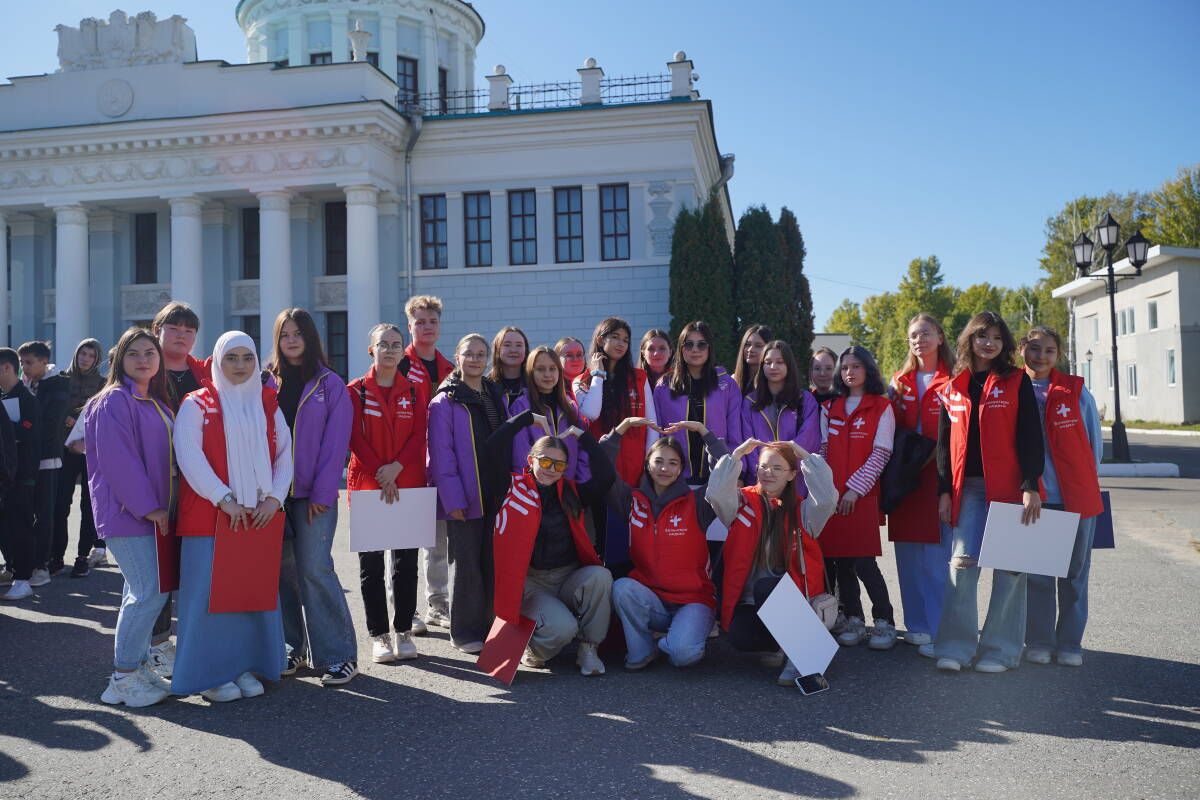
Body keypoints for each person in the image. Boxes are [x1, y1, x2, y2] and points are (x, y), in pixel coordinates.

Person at [172, 331, 292, 702]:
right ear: (217, 361)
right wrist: (223, 498)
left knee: (248, 596)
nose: (240, 366)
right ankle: (210, 676)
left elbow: (285, 454)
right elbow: (188, 455)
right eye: (231, 358)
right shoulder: (197, 404)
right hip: (212, 517)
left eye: (247, 358)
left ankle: (244, 666)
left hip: (257, 517)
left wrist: (274, 498)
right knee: (208, 600)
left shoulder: (268, 402)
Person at [934, 311, 1044, 674]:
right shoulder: (953, 386)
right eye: (983, 337)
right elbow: (942, 444)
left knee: (1011, 570)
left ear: (1004, 344)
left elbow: (1031, 435)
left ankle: (1001, 650)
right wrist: (944, 490)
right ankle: (955, 647)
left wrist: (1030, 485)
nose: (989, 344)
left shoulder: (1015, 381)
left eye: (996, 338)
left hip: (1011, 487)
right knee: (962, 565)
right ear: (970, 340)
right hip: (969, 490)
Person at [83, 328, 175, 707]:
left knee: (140, 591)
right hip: (130, 514)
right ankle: (122, 678)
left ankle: (135, 667)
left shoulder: (152, 401)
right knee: (148, 591)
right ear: (119, 359)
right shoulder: (113, 401)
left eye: (149, 352)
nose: (143, 359)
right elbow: (118, 462)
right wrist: (150, 507)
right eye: (133, 353)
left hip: (151, 514)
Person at [270, 309, 357, 686]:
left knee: (315, 569)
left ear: (310, 338)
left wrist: (323, 491)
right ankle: (293, 647)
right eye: (284, 334)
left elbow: (335, 444)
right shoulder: (265, 383)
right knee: (280, 574)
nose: (291, 340)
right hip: (274, 496)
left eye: (298, 334)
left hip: (312, 496)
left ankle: (339, 656)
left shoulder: (329, 384)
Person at [604, 419, 733, 669]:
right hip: (652, 600)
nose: (664, 468)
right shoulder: (632, 500)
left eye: (673, 463)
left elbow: (726, 473)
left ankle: (682, 638)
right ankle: (642, 651)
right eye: (659, 461)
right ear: (648, 465)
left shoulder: (698, 502)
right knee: (622, 587)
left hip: (694, 601)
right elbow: (602, 470)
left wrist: (704, 432)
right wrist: (620, 429)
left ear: (681, 469)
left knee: (683, 655)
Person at [492, 428, 616, 675]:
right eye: (546, 461)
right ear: (531, 460)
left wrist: (582, 436)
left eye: (559, 465)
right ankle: (533, 648)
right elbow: (491, 451)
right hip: (532, 582)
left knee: (601, 576)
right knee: (564, 628)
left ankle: (588, 649)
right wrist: (524, 420)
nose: (551, 469)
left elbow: (605, 475)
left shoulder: (571, 492)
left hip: (567, 576)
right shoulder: (511, 487)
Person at [717, 440, 838, 685]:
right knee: (739, 636)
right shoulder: (741, 503)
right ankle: (781, 645)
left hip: (798, 603)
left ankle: (804, 657)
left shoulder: (805, 511)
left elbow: (826, 498)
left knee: (767, 585)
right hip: (754, 602)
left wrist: (804, 455)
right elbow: (716, 495)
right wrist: (737, 455)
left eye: (777, 468)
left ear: (793, 474)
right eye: (763, 467)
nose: (767, 473)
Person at [1020, 325, 1103, 668]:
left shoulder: (1075, 392)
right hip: (1036, 498)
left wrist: (1084, 484)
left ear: (1059, 354)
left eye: (1049, 350)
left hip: (1075, 497)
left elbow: (1094, 445)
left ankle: (1070, 643)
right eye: (1035, 348)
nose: (1041, 356)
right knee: (1037, 576)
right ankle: (1039, 641)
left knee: (1074, 576)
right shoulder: (1012, 388)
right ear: (1021, 348)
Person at [348, 324, 428, 664]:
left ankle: (403, 631)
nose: (391, 350)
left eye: (396, 344)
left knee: (405, 564)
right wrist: (382, 471)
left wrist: (396, 468)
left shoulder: (413, 391)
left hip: (407, 484)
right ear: (372, 351)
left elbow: (419, 434)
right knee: (371, 567)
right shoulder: (355, 391)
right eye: (384, 344)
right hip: (368, 485)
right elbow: (353, 437)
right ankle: (378, 635)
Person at [428, 333, 509, 653]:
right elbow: (440, 455)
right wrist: (453, 500)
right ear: (457, 358)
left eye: (480, 353)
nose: (475, 359)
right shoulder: (444, 400)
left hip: (495, 490)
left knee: (491, 561)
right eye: (468, 353)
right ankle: (463, 631)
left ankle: (490, 625)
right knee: (465, 564)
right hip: (464, 494)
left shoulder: (492, 392)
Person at [820, 346, 897, 650]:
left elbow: (881, 453)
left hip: (860, 497)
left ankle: (885, 621)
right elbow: (823, 452)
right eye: (845, 367)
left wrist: (854, 489)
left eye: (856, 366)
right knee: (840, 563)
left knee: (864, 563)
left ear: (868, 369)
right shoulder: (830, 408)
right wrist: (829, 491)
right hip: (833, 499)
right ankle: (853, 617)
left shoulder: (881, 407)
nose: (849, 372)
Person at [145, 300, 207, 677]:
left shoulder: (203, 372)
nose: (182, 336)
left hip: (197, 483)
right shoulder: (145, 371)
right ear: (158, 330)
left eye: (189, 331)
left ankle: (193, 641)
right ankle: (155, 645)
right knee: (158, 568)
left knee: (193, 564)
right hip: (158, 483)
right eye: (174, 329)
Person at [888, 313, 956, 653]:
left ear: (941, 337)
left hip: (939, 476)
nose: (920, 340)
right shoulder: (899, 381)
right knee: (907, 556)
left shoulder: (955, 379)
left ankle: (938, 627)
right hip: (904, 479)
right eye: (914, 335)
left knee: (935, 557)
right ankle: (916, 625)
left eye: (926, 333)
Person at [399, 295, 454, 633]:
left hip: (439, 467)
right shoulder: (399, 364)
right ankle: (406, 610)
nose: (427, 327)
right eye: (420, 322)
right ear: (410, 326)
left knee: (437, 540)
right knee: (403, 541)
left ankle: (436, 603)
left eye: (432, 321)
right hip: (407, 465)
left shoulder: (451, 368)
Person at [652, 321, 743, 485]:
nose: (695, 350)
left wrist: (737, 472)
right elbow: (657, 433)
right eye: (689, 344)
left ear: (709, 348)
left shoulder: (727, 385)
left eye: (701, 345)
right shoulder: (664, 386)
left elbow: (735, 433)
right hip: (675, 479)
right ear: (681, 349)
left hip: (717, 476)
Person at [574, 318, 659, 486]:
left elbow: (652, 425)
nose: (621, 343)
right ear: (600, 339)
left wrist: (649, 466)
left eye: (625, 340)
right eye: (615, 337)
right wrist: (598, 374)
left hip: (635, 469)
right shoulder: (582, 380)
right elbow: (591, 413)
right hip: (600, 467)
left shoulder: (639, 377)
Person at [18, 341, 69, 583]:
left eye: (28, 363)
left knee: (45, 513)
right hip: (23, 458)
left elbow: (50, 424)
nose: (24, 368)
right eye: (21, 363)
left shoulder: (57, 383)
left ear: (43, 361)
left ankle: (42, 566)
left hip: (47, 457)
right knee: (24, 512)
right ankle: (21, 563)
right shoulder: (23, 384)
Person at [741, 340, 821, 492]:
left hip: (795, 483)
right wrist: (761, 473)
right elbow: (748, 444)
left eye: (780, 362)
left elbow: (809, 440)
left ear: (789, 365)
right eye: (768, 362)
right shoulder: (750, 402)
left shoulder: (804, 400)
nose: (773, 367)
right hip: (760, 483)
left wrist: (782, 472)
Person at [54, 338, 104, 578]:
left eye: (91, 355)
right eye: (82, 353)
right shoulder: (62, 380)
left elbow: (105, 421)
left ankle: (82, 557)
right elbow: (51, 410)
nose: (85, 358)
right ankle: (56, 556)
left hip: (90, 452)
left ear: (97, 359)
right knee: (61, 503)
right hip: (63, 450)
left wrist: (85, 440)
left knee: (88, 505)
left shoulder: (103, 385)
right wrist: (63, 419)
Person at [509, 347, 588, 482]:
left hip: (568, 489)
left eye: (552, 368)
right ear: (530, 372)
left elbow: (583, 450)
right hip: (536, 490)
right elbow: (520, 453)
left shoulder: (571, 407)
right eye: (540, 369)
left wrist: (581, 483)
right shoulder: (521, 406)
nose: (547, 374)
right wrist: (528, 488)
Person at [0, 348, 42, 602]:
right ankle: (13, 568)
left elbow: (31, 440)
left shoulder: (27, 400)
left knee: (21, 526)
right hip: (7, 475)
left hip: (21, 475)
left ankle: (24, 578)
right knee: (6, 527)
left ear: (6, 367)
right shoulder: (4, 396)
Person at [489, 326, 530, 410]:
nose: (513, 350)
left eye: (519, 345)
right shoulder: (487, 386)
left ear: (526, 350)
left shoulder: (535, 383)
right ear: (497, 350)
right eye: (507, 345)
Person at [732, 324, 774, 396]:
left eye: (758, 346)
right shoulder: (732, 381)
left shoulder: (772, 383)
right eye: (747, 344)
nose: (750, 349)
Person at [554, 337, 586, 401]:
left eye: (579, 355)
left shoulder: (594, 383)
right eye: (569, 355)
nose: (575, 359)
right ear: (557, 359)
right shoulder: (552, 388)